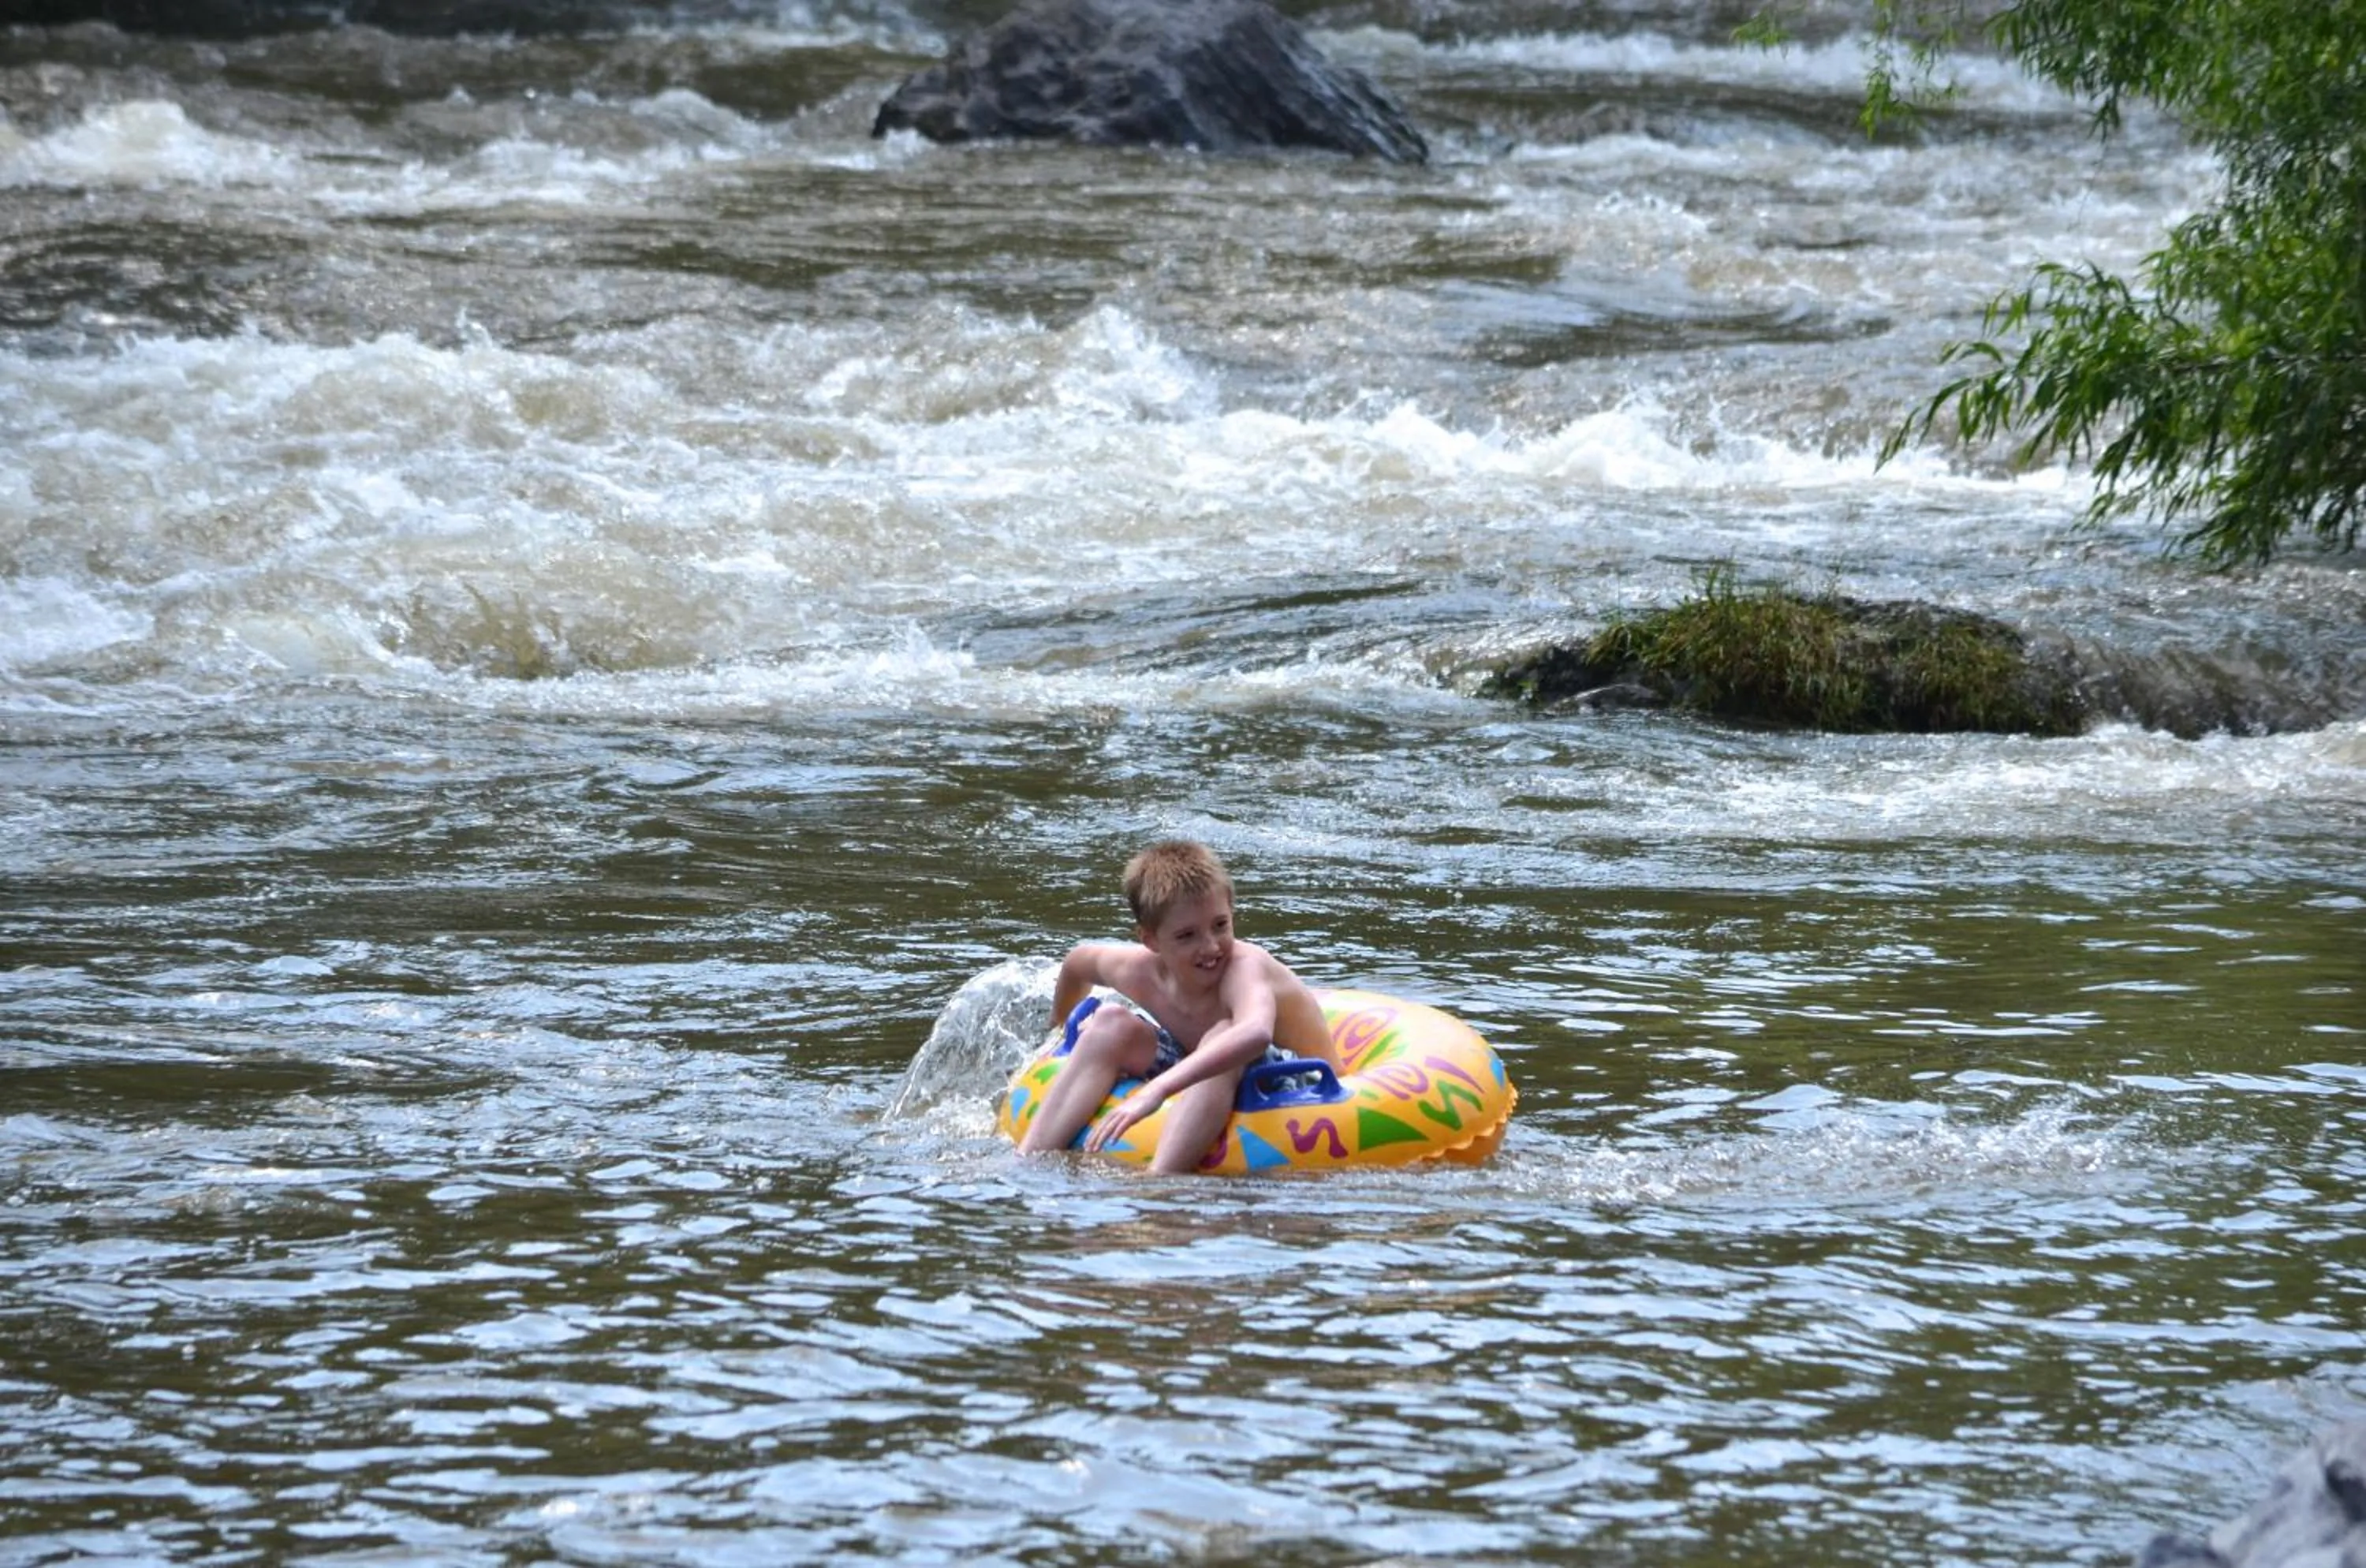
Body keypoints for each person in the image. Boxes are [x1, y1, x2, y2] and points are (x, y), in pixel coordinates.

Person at [1017, 839, 1336, 1173]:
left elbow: (1255, 1033)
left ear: (1231, 911)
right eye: (1187, 936)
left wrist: (1157, 1090)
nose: (1211, 946)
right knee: (1110, 1021)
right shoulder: (1135, 970)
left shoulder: (1244, 968)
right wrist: (1056, 1030)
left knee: (1225, 1033)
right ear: (1151, 940)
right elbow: (1077, 963)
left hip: (1299, 1082)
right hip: (1198, 1070)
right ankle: (1027, 1160)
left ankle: (1160, 1185)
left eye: (1220, 925)